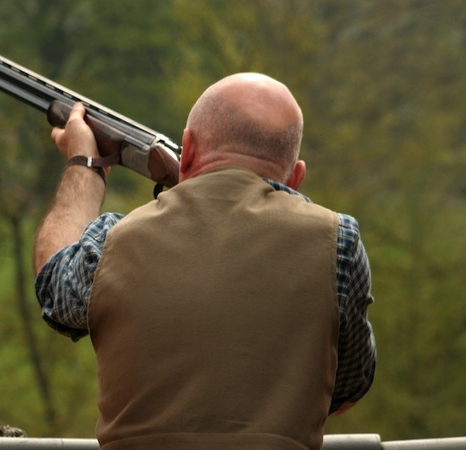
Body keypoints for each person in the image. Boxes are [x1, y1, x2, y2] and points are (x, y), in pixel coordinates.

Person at [34, 73, 376, 450]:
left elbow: (53, 289)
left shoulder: (112, 241)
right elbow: (348, 386)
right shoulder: (339, 241)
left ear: (189, 148)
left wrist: (84, 163)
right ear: (296, 178)